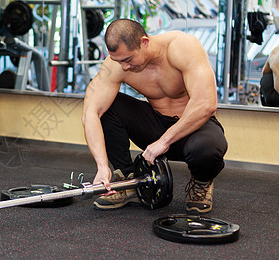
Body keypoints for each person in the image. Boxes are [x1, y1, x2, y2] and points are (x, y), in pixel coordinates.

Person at [82, 19, 228, 214]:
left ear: (144, 42)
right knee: (107, 106)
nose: (124, 67)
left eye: (128, 60)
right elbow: (90, 112)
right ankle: (128, 180)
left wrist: (165, 140)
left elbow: (206, 104)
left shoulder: (182, 47)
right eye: (119, 61)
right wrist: (102, 166)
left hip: (193, 128)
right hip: (156, 126)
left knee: (207, 149)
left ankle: (201, 183)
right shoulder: (116, 64)